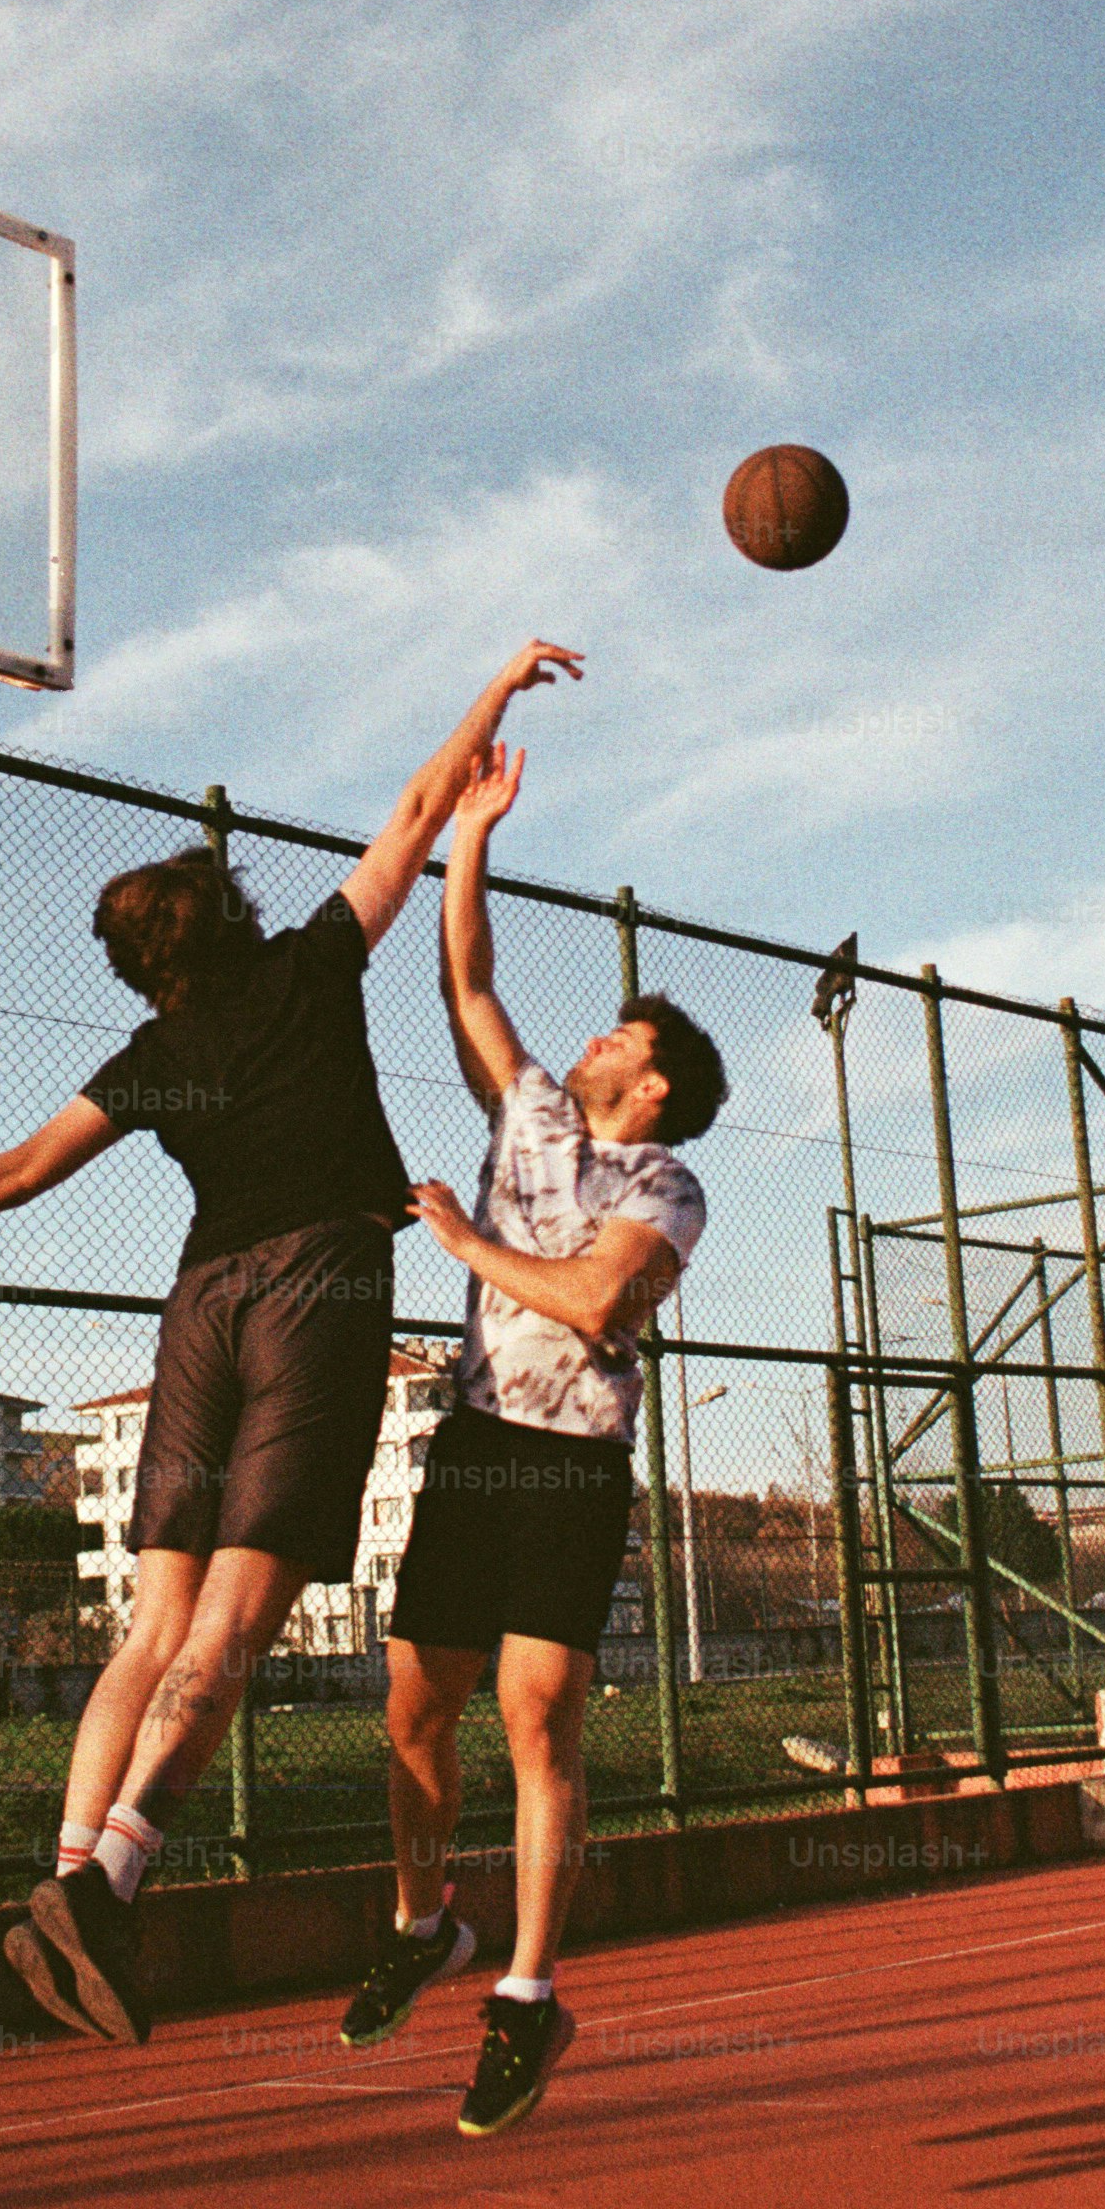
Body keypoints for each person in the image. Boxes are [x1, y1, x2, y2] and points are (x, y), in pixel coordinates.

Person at [0, 639, 588, 2047]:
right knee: (234, 1627)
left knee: (153, 1631)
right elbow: (412, 807)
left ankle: (72, 1879)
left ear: (142, 967)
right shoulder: (311, 966)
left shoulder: (150, 1060)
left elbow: (18, 1172)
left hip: (197, 1307)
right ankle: (114, 1894)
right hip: (316, 1291)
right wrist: (494, 694)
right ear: (229, 919)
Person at [339, 737, 726, 2136]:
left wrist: (454, 1234)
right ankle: (423, 1919)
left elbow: (587, 1295)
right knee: (413, 1705)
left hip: (570, 1466)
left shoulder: (669, 1184)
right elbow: (468, 979)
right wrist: (475, 834)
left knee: (537, 1715)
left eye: (619, 1036)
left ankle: (527, 1995)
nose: (592, 1038)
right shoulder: (533, 1113)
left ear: (657, 1080)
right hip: (478, 1445)